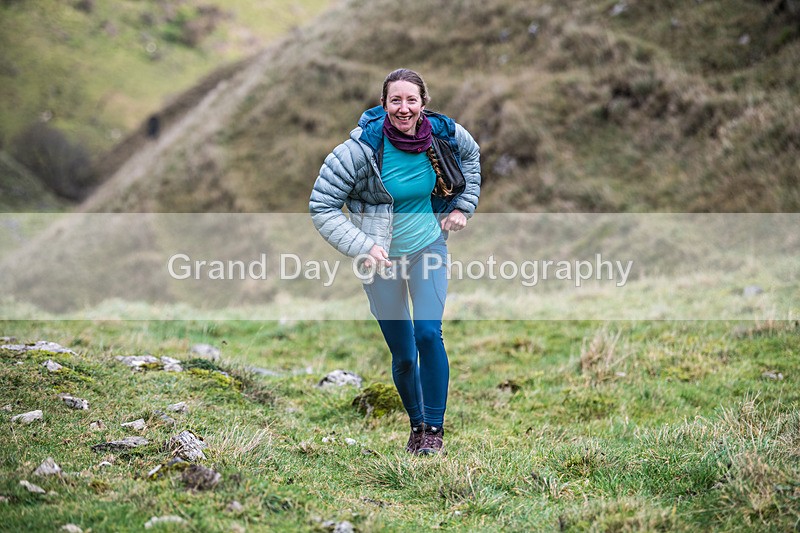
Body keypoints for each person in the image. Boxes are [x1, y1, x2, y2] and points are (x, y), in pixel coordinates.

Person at [309, 68, 481, 455]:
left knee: (427, 333)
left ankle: (434, 432)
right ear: (384, 104)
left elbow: (471, 157)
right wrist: (362, 246)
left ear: (423, 103)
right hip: (380, 262)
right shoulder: (358, 151)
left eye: (411, 100)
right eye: (395, 100)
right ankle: (417, 426)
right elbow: (322, 206)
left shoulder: (445, 134)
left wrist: (462, 207)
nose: (404, 108)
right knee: (403, 354)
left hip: (427, 247)